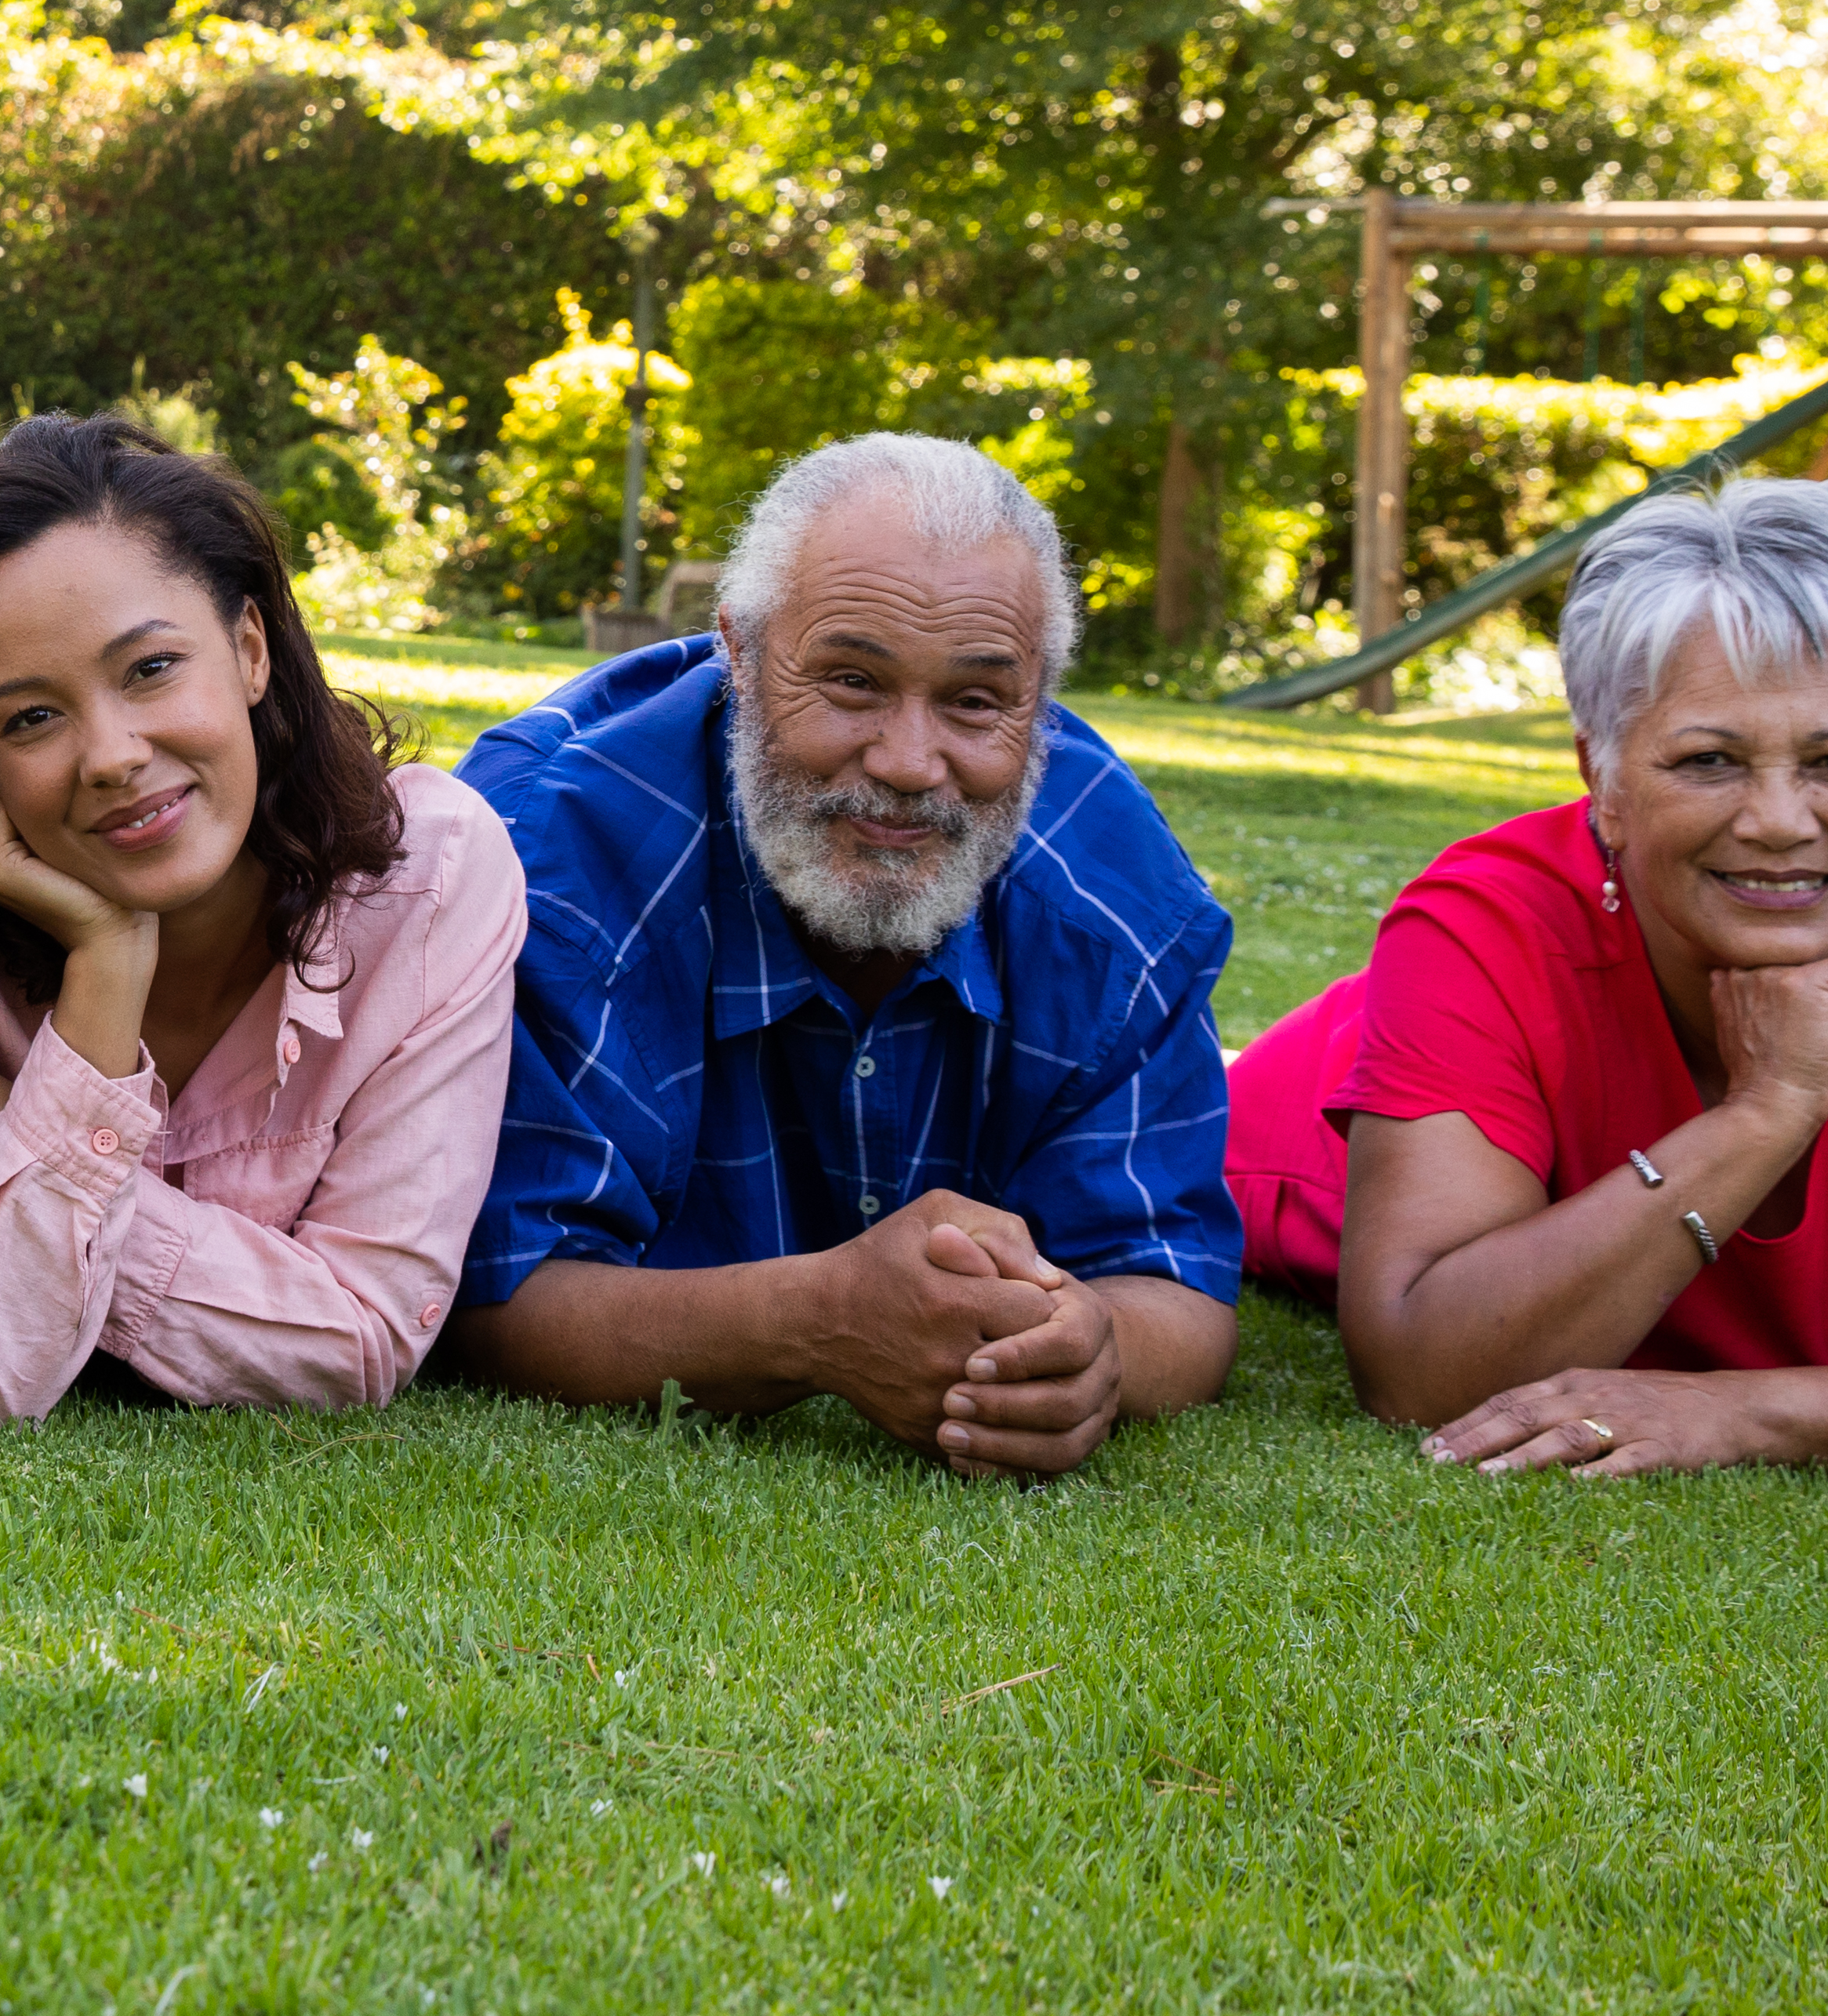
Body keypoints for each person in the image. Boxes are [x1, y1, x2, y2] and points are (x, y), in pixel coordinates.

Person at [1223, 476, 1828, 1477]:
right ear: (1601, 783)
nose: (1778, 820)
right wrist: (1766, 1109)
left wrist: (1746, 1414)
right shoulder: (1482, 923)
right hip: (1283, 1144)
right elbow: (1420, 1379)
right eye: (1706, 761)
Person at [444, 432, 1240, 1476]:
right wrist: (813, 1318)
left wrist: (1092, 1352)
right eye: (853, 681)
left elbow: (1172, 1275)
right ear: (737, 650)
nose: (910, 764)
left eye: (974, 700)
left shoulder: (1116, 896)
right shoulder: (543, 870)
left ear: (1040, 700)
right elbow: (487, 1293)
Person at [0, 417, 524, 1420]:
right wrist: (108, 964)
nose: (112, 755)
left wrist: (7, 1134)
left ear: (249, 650)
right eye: (31, 717)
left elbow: (361, 1341)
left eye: (151, 668)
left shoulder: (427, 877)